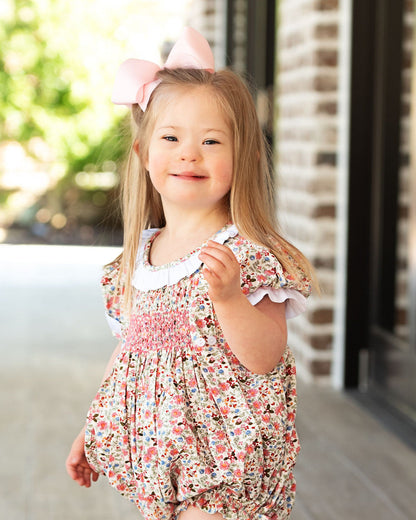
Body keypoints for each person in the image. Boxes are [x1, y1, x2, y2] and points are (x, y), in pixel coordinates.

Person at [66, 27, 316, 520]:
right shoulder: (139, 259)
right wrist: (92, 429)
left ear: (239, 155)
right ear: (143, 155)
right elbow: (131, 349)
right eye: (172, 137)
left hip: (225, 464)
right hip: (159, 457)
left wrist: (229, 300)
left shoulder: (246, 253)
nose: (189, 152)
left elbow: (266, 357)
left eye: (210, 140)